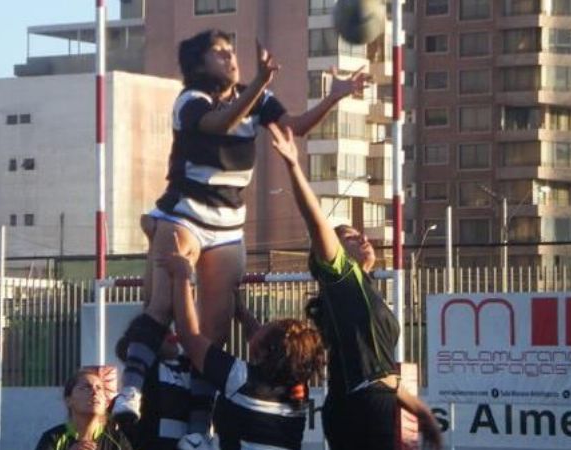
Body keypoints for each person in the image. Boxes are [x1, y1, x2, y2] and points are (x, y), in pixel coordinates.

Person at [114, 27, 368, 441]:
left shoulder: (258, 97)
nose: (230, 58)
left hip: (229, 224)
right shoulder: (191, 100)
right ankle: (131, 390)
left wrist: (334, 96)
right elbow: (219, 124)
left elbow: (295, 127)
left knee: (211, 334)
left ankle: (198, 429)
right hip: (185, 211)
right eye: (219, 53)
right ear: (198, 64)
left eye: (231, 51)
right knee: (161, 304)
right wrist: (260, 84)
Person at [269, 123, 443, 450]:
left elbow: (380, 372)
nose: (361, 236)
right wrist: (294, 167)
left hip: (375, 400)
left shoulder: (364, 289)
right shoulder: (341, 277)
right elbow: (316, 220)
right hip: (361, 407)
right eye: (349, 236)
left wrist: (421, 411)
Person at [159, 238, 325, 450]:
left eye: (265, 326)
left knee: (192, 444)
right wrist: (241, 311)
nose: (259, 327)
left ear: (266, 350)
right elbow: (262, 339)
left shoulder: (240, 378)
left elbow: (189, 337)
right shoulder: (297, 388)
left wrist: (182, 277)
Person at [113, 293, 260, 450]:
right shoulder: (151, 370)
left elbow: (205, 342)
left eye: (169, 330)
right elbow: (145, 330)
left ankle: (198, 435)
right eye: (164, 333)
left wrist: (236, 309)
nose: (171, 334)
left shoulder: (187, 365)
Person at [35, 367, 133, 450]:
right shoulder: (53, 438)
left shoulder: (117, 439)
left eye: (99, 388)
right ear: (68, 400)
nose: (94, 392)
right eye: (86, 388)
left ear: (105, 403)